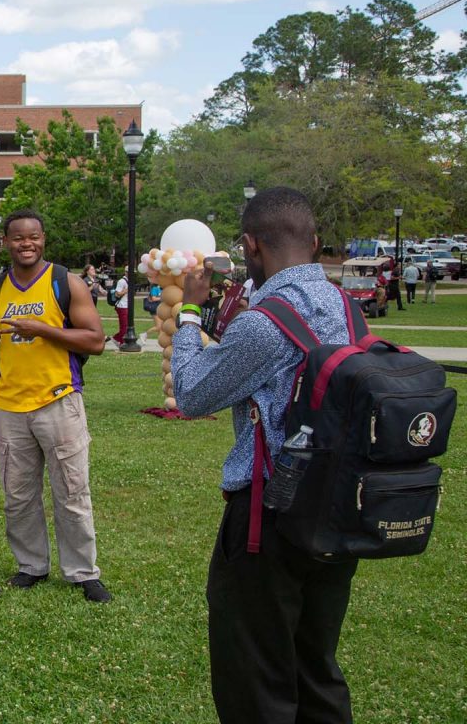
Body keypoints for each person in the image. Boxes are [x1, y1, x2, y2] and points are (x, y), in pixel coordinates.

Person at [171, 186, 360, 724]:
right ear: (316, 242)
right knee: (315, 665)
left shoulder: (266, 321)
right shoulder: (345, 308)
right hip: (337, 509)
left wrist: (189, 312)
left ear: (251, 245)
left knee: (255, 675)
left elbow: (192, 395)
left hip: (269, 516)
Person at [0, 210, 111, 602]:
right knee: (18, 494)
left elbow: (95, 340)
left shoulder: (66, 282)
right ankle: (31, 566)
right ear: (6, 243)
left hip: (59, 400)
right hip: (10, 406)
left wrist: (42, 329)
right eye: (18, 238)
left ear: (43, 239)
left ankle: (83, 572)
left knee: (71, 490)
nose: (25, 243)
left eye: (33, 237)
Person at [111, 270, 131, 344]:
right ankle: (120, 341)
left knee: (127, 326)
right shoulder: (122, 281)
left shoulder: (129, 281)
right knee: (124, 327)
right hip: (122, 306)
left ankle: (117, 339)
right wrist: (125, 291)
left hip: (127, 305)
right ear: (125, 272)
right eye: (129, 272)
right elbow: (117, 294)